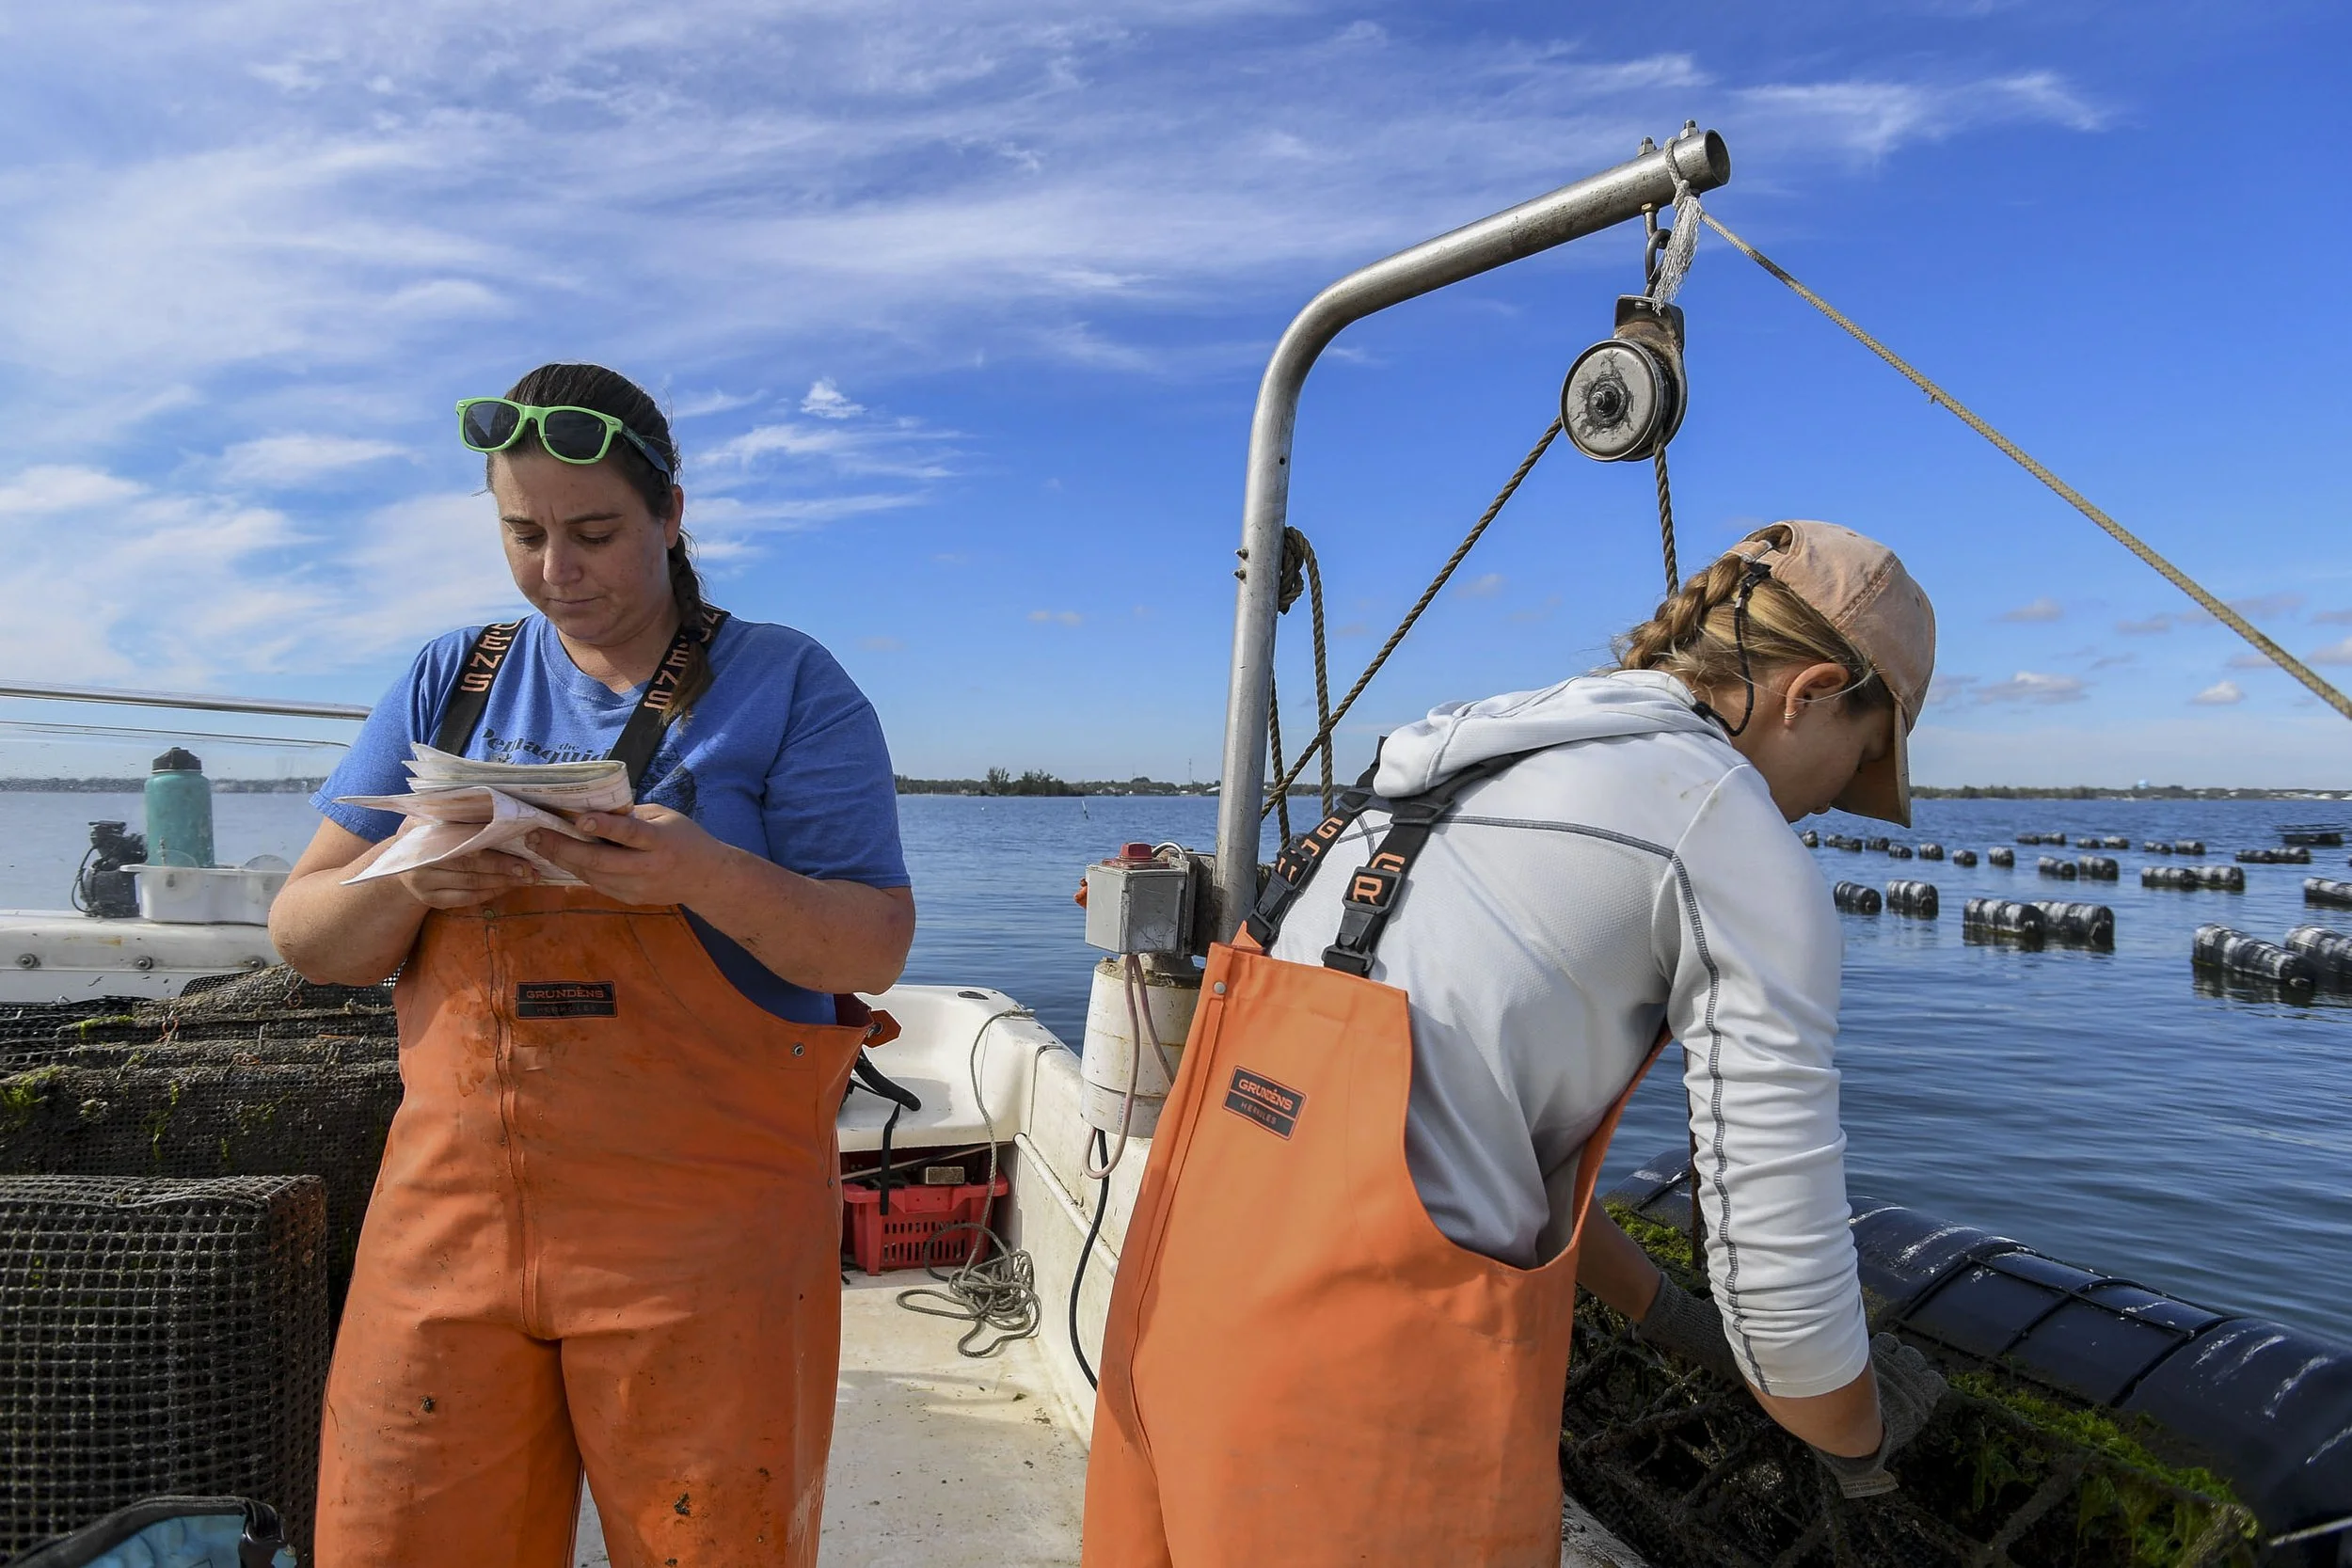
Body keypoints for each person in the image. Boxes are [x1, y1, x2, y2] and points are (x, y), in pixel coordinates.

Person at [1082, 520, 1949, 1565]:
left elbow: (1453, 1134)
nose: (1816, 808)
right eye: (1853, 761)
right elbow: (1787, 1309)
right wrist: (1860, 1432)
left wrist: (1664, 1309)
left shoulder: (1439, 762)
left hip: (1173, 1327)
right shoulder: (1726, 833)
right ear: (1810, 690)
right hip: (1362, 1424)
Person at [269, 362, 914, 1568]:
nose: (558, 570)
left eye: (596, 531)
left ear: (672, 516)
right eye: (524, 534)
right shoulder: (449, 677)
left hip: (706, 1230)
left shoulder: (790, 684)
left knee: (711, 1540)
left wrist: (705, 874)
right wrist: (410, 882)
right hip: (449, 1219)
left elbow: (872, 941)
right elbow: (305, 933)